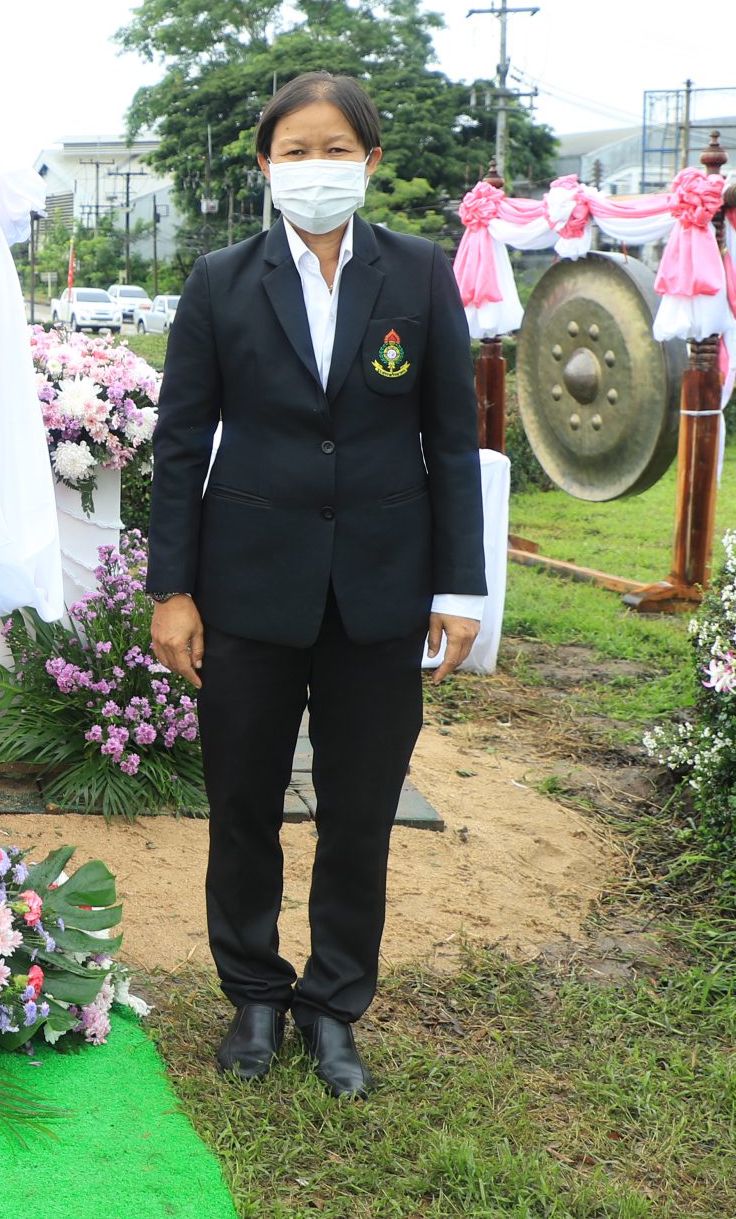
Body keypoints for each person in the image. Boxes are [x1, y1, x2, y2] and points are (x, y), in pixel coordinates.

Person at [145, 72, 486, 1101]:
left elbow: (451, 440)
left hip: (382, 593)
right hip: (245, 588)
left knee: (359, 811)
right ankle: (252, 993)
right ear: (264, 166)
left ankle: (334, 1005)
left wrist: (459, 588)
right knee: (243, 802)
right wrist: (171, 590)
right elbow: (177, 445)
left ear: (369, 161)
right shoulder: (219, 281)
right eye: (293, 150)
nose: (314, 167)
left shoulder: (421, 276)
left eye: (334, 147)